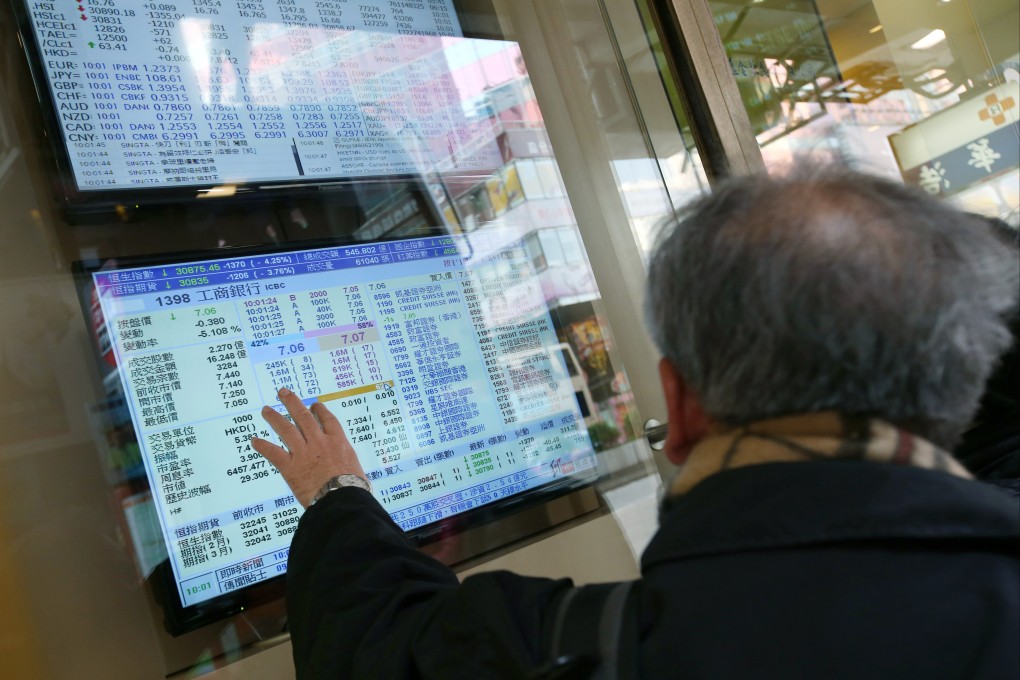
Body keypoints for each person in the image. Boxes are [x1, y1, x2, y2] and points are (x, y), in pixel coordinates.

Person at [251, 168, 1020, 679]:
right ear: (961, 382)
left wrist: (334, 492)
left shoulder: (602, 651)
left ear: (679, 408)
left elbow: (378, 646)